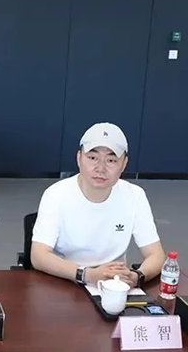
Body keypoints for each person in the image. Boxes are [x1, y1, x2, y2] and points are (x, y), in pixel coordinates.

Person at [30, 122, 165, 288]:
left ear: (124, 164)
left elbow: (156, 255)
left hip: (113, 285)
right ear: (79, 158)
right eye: (93, 158)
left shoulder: (134, 195)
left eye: (111, 160)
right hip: (65, 280)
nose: (100, 168)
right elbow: (38, 255)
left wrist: (136, 277)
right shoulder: (56, 194)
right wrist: (88, 275)